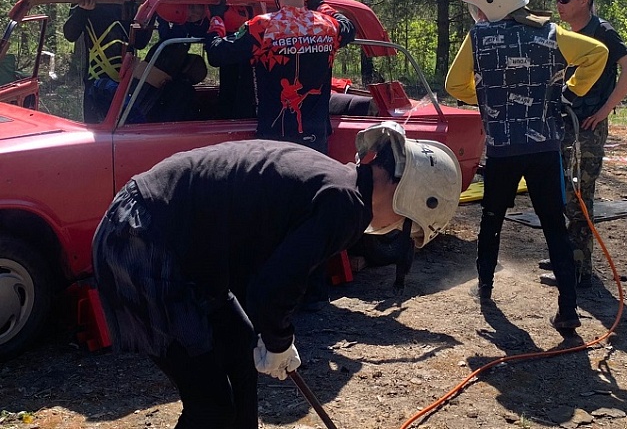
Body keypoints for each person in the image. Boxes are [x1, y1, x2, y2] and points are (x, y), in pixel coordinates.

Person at [92, 121, 462, 428]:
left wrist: (273, 335)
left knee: (240, 345)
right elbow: (272, 289)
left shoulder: (338, 185)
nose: (395, 230)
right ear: (407, 199)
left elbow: (258, 266)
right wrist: (280, 339)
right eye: (405, 227)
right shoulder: (347, 206)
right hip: (142, 241)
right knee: (211, 407)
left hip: (170, 238)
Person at [445, 0, 608, 331]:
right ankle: (568, 309)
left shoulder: (478, 37)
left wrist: (489, 98)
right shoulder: (552, 33)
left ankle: (485, 288)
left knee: (491, 221)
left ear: (492, 2)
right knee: (554, 225)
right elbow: (598, 53)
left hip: (503, 149)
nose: (477, 15)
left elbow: (454, 84)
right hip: (544, 147)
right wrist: (569, 91)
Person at [539, 0, 627, 287]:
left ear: (584, 0)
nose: (559, 5)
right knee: (560, 193)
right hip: (564, 123)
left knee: (579, 196)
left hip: (587, 127)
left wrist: (604, 109)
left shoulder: (602, 32)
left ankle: (579, 268)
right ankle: (566, 254)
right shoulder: (569, 35)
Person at [205, 0, 357, 154]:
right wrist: (322, 6)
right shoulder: (329, 26)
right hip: (317, 139)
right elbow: (348, 26)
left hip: (275, 140)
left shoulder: (262, 27)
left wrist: (216, 20)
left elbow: (217, 54)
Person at [63, 0, 151, 123]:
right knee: (95, 134)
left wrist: (148, 17)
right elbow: (70, 34)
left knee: (127, 134)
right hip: (95, 82)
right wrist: (83, 11)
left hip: (126, 82)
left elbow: (140, 43)